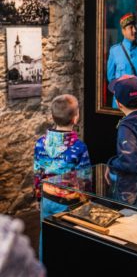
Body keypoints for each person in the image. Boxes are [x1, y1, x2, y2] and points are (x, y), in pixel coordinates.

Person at [34, 94, 91, 247]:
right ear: (75, 118)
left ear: (52, 117)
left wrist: (39, 197)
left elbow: (37, 174)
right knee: (68, 240)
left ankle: (44, 267)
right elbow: (85, 179)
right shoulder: (79, 147)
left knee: (45, 235)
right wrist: (86, 202)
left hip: (47, 197)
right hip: (70, 202)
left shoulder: (40, 143)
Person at [107, 12, 137, 109]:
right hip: (120, 104)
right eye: (131, 28)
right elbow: (111, 78)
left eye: (136, 27)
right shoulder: (114, 51)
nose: (135, 30)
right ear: (123, 31)